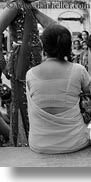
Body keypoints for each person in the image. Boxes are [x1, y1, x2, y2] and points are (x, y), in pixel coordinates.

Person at [26, 24, 91, 154]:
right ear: (68, 46)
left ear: (43, 46)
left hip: (39, 143)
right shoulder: (78, 70)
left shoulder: (30, 74)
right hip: (75, 142)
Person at [0, 0, 57, 146]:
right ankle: (23, 141)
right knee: (22, 103)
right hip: (20, 62)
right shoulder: (14, 5)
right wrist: (2, 63)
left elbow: (55, 28)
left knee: (34, 100)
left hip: (33, 63)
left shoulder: (28, 7)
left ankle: (34, 138)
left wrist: (35, 11)